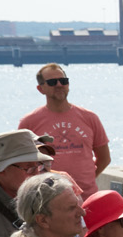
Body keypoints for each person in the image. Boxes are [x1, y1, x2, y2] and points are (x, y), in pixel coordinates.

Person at [19, 64, 109, 197]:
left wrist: (86, 181)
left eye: (63, 81)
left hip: (88, 197)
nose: (59, 85)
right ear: (40, 89)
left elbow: (104, 158)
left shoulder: (90, 118)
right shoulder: (29, 122)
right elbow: (21, 165)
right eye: (52, 82)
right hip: (47, 199)